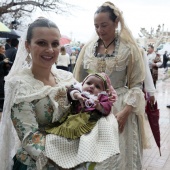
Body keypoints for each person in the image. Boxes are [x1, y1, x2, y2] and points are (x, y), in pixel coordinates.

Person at [0, 18, 120, 170]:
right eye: (41, 43)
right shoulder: (19, 85)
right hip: (40, 162)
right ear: (27, 45)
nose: (50, 49)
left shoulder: (66, 78)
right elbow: (29, 138)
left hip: (75, 159)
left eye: (55, 44)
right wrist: (69, 156)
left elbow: (85, 111)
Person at [74, 2, 150, 170]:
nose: (100, 30)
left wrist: (125, 113)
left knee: (118, 156)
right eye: (96, 26)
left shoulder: (129, 49)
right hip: (92, 107)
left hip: (120, 107)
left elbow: (137, 84)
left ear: (116, 23)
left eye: (104, 25)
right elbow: (79, 80)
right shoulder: (88, 48)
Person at [45, 73, 119, 169]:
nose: (92, 86)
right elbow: (71, 91)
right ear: (82, 84)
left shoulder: (101, 98)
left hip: (90, 124)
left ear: (103, 91)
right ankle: (60, 158)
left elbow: (107, 108)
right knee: (60, 139)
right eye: (89, 83)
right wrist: (77, 95)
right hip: (74, 121)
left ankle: (88, 161)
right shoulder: (79, 91)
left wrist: (99, 106)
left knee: (88, 141)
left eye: (97, 86)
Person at [0, 43, 12, 112]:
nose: (4, 50)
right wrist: (2, 62)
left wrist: (7, 64)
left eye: (4, 48)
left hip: (3, 77)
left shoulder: (3, 56)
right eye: (2, 48)